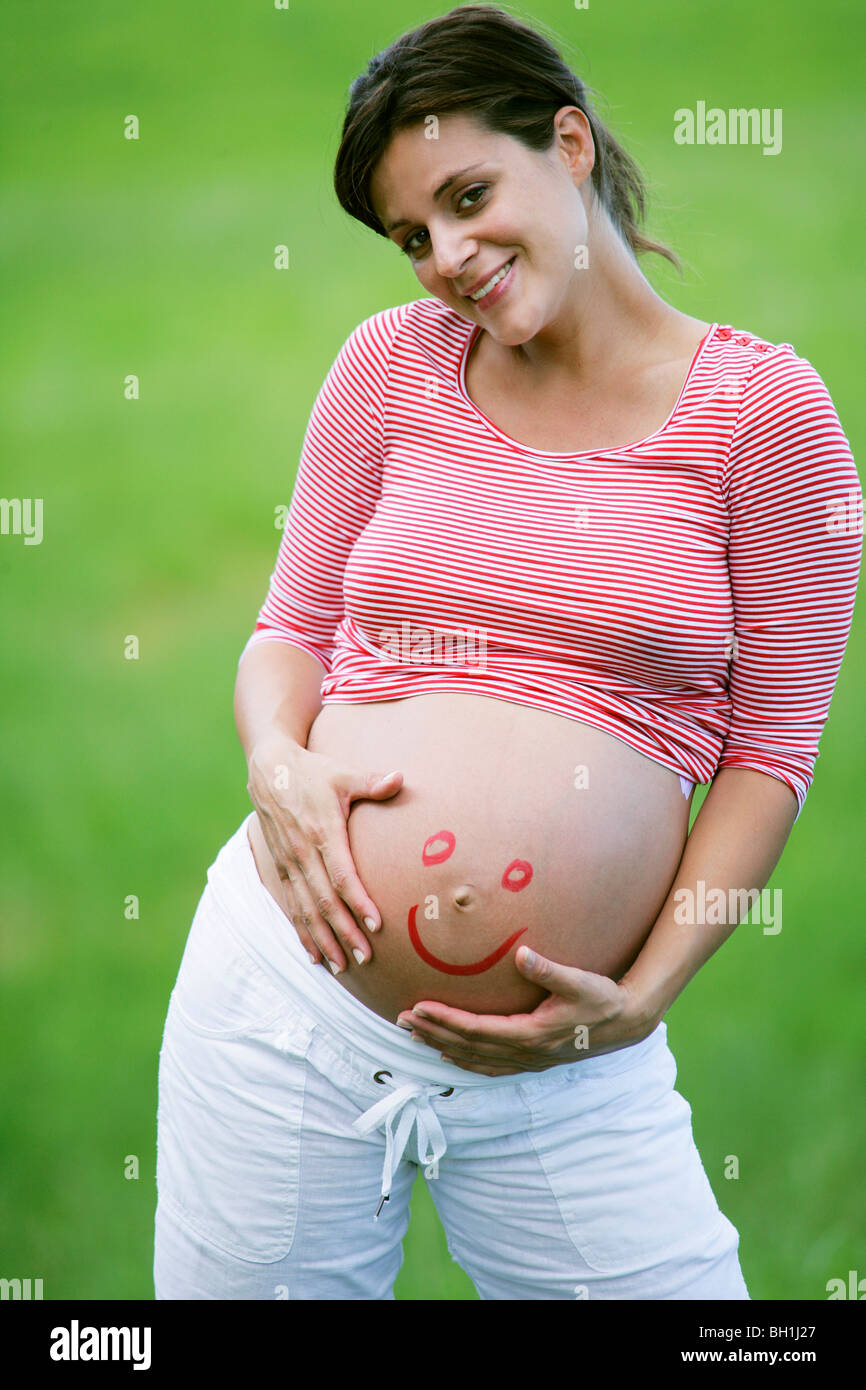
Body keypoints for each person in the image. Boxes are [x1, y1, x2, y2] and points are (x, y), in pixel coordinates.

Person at [153, 4, 861, 1300]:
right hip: (280, 1006)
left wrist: (642, 993)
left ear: (571, 144)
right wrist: (276, 765)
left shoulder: (764, 416)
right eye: (410, 235)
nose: (445, 257)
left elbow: (769, 754)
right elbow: (290, 629)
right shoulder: (388, 365)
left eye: (468, 195)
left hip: (568, 1064)